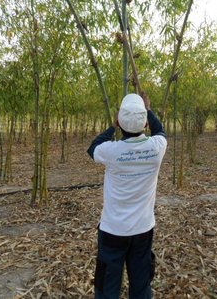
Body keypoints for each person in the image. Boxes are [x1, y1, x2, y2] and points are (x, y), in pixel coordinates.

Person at [87, 92, 167, 298]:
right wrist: (148, 109)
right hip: (143, 229)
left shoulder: (111, 151)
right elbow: (160, 130)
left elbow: (92, 148)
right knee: (141, 285)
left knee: (107, 287)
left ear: (119, 122)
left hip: (113, 230)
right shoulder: (156, 148)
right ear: (145, 124)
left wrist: (112, 126)